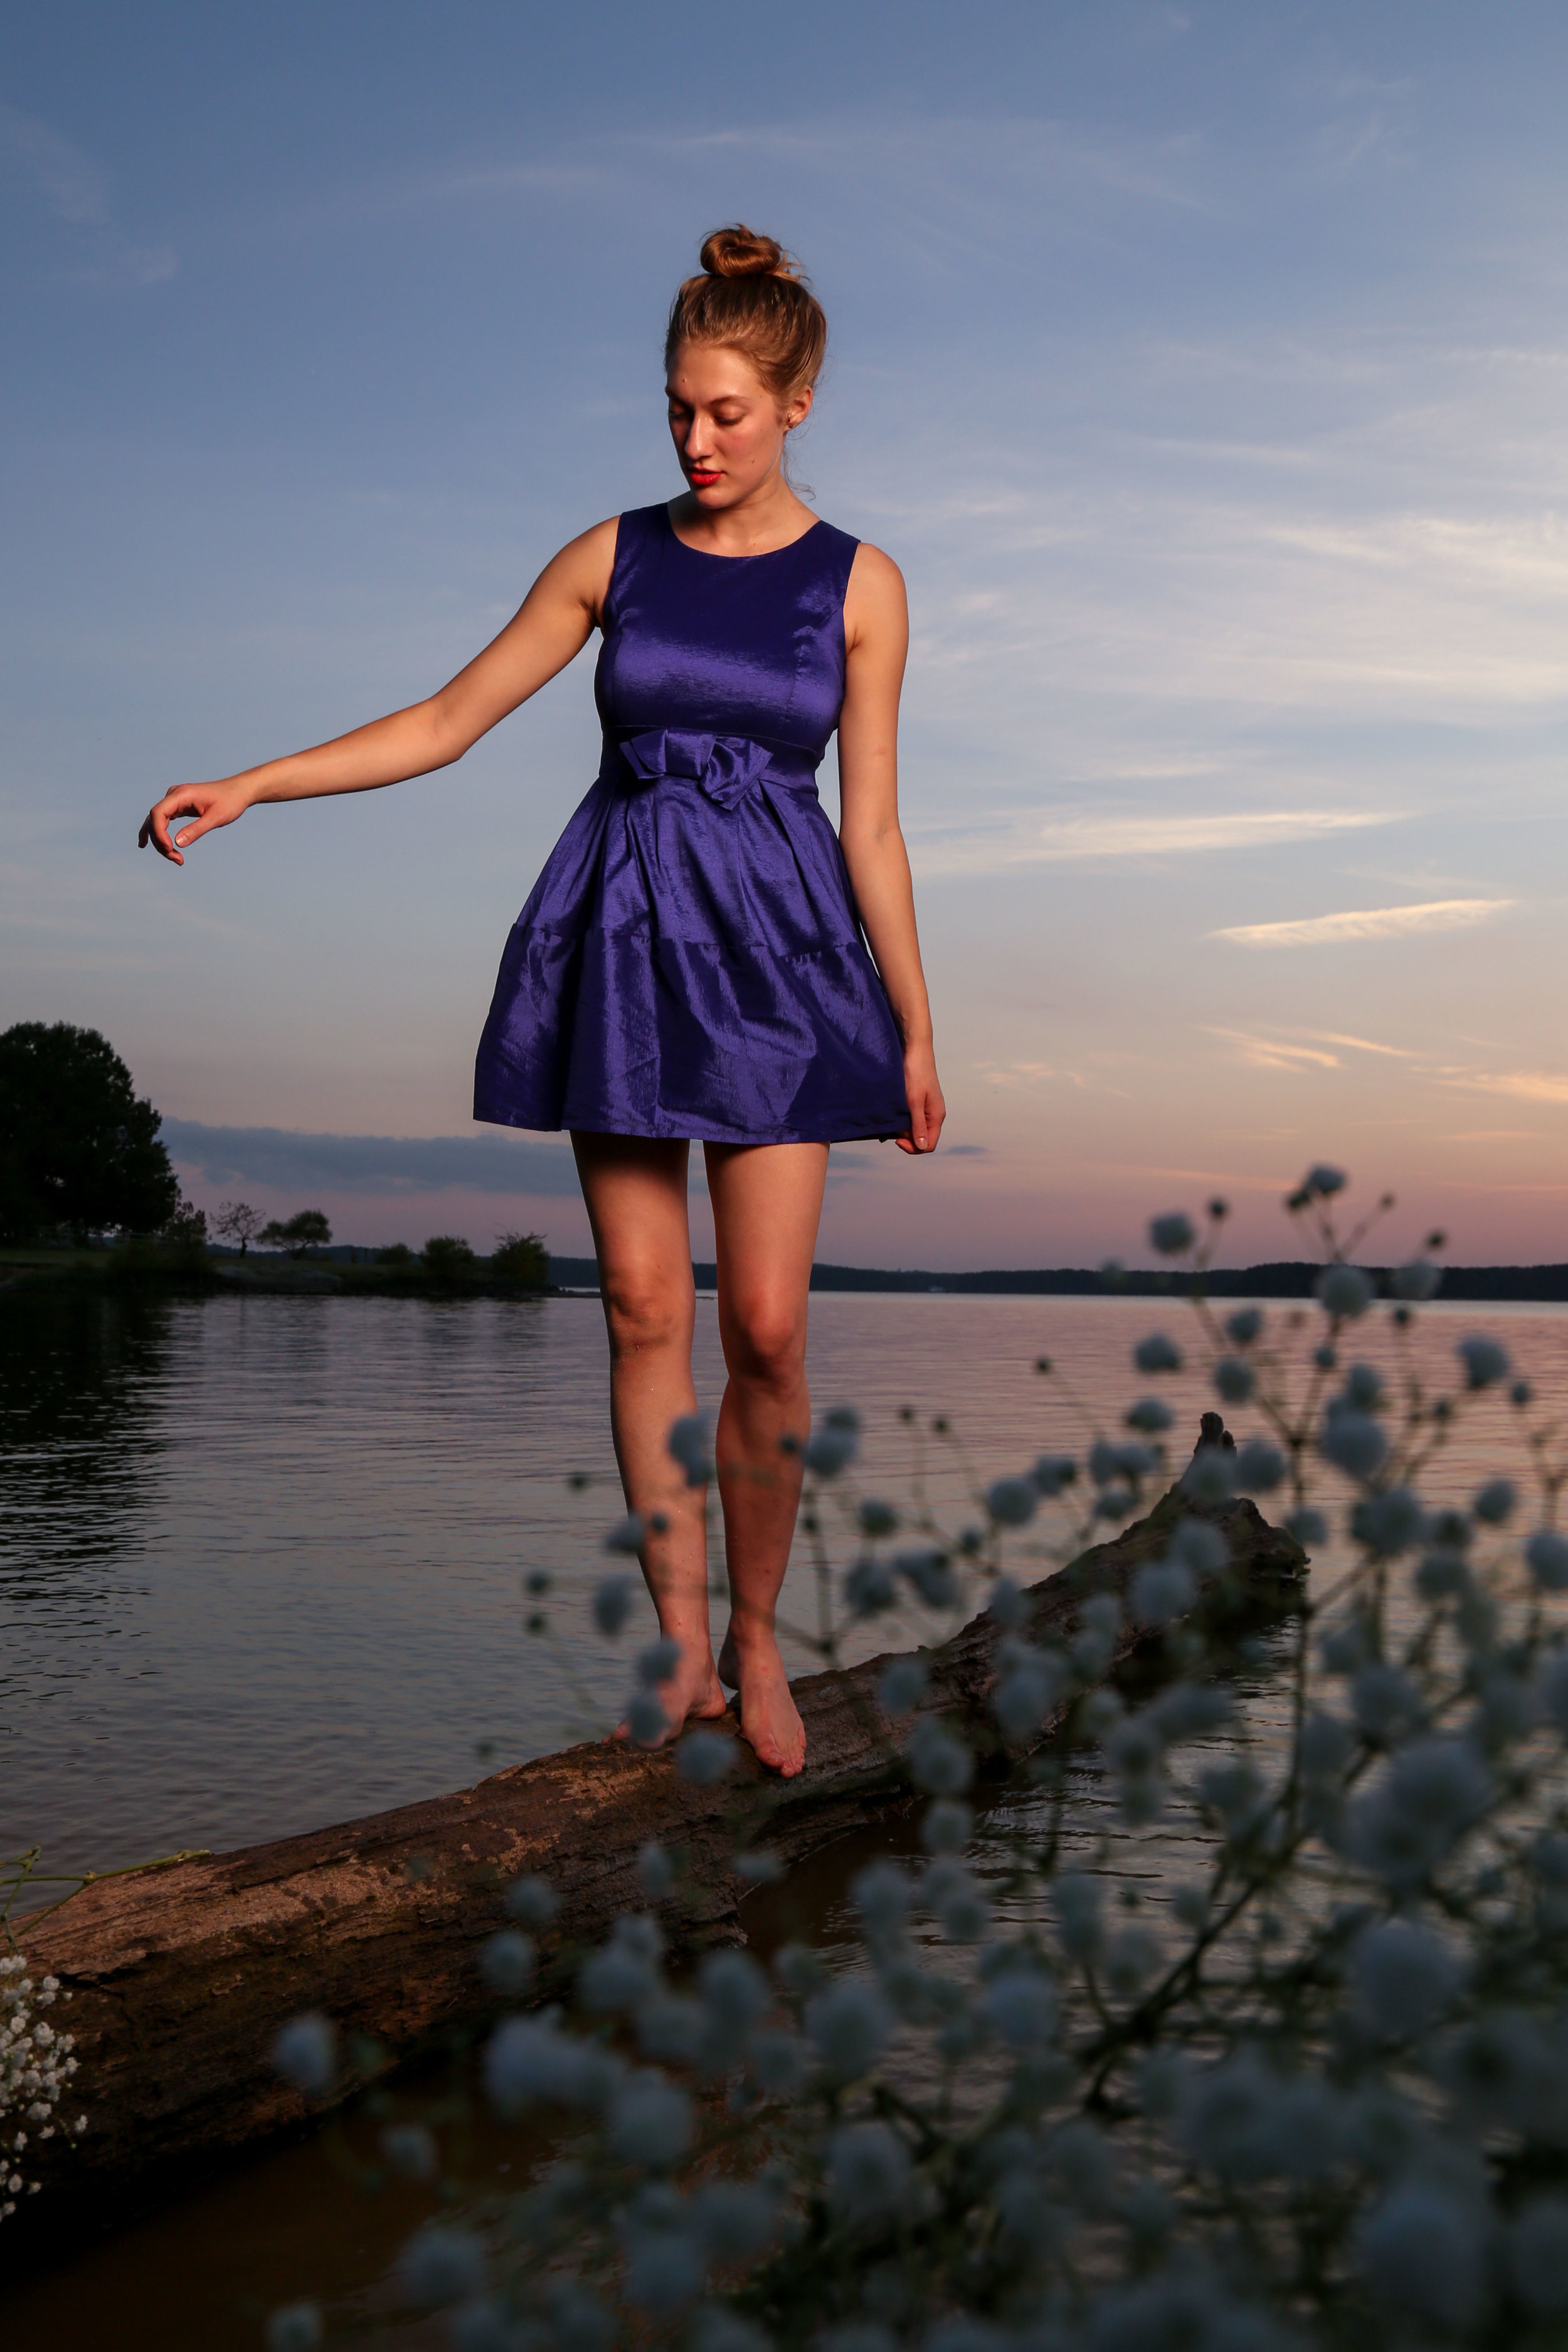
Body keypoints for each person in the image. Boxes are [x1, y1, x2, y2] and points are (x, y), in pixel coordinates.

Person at [140, 224, 945, 1777]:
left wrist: (913, 1028)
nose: (694, 440)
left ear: (794, 404)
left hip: (783, 961)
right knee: (646, 1310)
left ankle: (767, 1651)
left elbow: (876, 827)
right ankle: (678, 1651)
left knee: (766, 1328)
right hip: (627, 944)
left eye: (724, 411)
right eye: (674, 409)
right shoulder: (610, 556)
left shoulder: (861, 585)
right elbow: (445, 721)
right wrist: (254, 784)